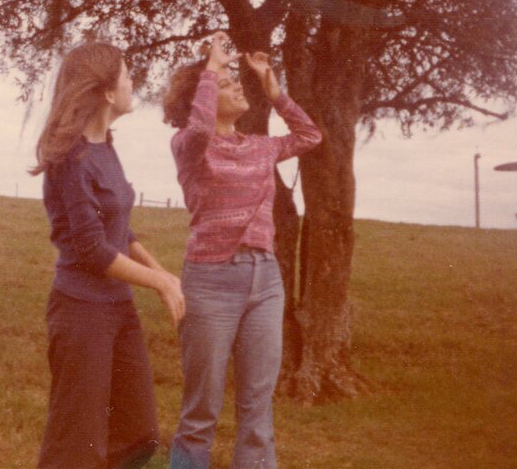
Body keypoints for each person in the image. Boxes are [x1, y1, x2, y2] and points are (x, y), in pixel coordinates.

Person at [163, 32, 322, 469]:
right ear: (202, 97)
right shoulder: (189, 146)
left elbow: (310, 135)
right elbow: (200, 129)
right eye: (226, 82)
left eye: (235, 80)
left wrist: (274, 90)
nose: (236, 85)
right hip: (210, 282)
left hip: (265, 280)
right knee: (201, 410)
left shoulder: (260, 147)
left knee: (257, 410)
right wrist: (211, 68)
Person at [31, 41, 186, 469]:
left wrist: (164, 275)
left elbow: (120, 232)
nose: (133, 83)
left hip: (118, 307)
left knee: (138, 434)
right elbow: (92, 249)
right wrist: (159, 282)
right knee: (75, 447)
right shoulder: (71, 158)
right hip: (81, 311)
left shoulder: (105, 146)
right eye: (127, 75)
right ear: (105, 91)